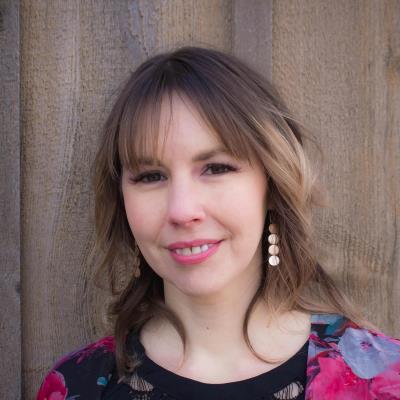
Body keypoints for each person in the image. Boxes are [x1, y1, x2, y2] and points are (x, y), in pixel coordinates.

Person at [36, 46, 400, 400]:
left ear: (273, 185)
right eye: (150, 176)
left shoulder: (382, 383)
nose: (182, 210)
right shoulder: (79, 386)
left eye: (216, 168)